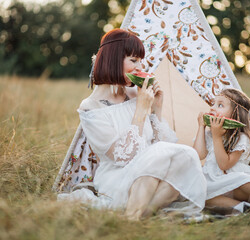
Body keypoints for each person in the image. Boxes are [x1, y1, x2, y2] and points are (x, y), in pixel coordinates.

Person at [67, 29, 206, 220]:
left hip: (153, 172)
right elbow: (123, 157)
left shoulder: (135, 93)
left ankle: (136, 218)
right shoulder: (91, 107)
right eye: (133, 60)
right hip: (117, 178)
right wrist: (141, 108)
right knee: (170, 163)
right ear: (113, 59)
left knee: (186, 158)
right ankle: (135, 215)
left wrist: (157, 107)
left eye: (140, 61)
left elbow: (161, 145)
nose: (139, 66)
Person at [193, 88, 250, 210]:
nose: (212, 108)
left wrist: (217, 137)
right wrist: (201, 127)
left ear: (235, 114)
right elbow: (198, 155)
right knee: (202, 197)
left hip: (238, 187)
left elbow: (224, 165)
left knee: (242, 178)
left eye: (220, 105)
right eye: (213, 103)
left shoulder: (241, 138)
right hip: (215, 183)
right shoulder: (209, 134)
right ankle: (245, 208)